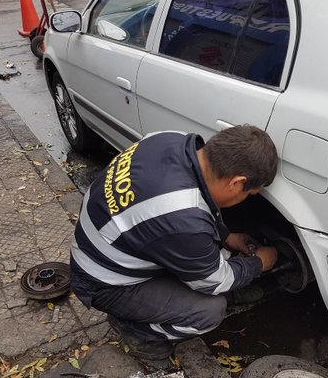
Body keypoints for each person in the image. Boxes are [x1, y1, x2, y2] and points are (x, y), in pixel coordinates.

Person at [69, 126, 279, 359]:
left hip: (97, 246)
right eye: (247, 194)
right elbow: (215, 282)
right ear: (237, 183)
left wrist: (226, 236)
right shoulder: (183, 218)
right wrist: (258, 263)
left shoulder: (169, 139)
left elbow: (185, 213)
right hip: (102, 283)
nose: (244, 200)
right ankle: (137, 331)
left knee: (205, 257)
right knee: (210, 310)